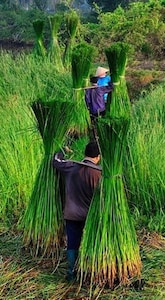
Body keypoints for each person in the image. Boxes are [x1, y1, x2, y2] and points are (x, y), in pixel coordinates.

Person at [52, 141, 102, 282]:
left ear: (85, 154)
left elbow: (56, 161)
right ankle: (90, 271)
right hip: (90, 217)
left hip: (72, 214)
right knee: (91, 242)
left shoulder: (72, 167)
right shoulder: (100, 174)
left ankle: (71, 274)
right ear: (98, 157)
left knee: (73, 243)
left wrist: (62, 149)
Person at [85, 75, 113, 140]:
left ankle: (95, 136)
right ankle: (103, 135)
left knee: (94, 124)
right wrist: (110, 82)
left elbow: (87, 101)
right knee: (102, 122)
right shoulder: (100, 89)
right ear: (97, 81)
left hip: (93, 110)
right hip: (101, 109)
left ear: (90, 82)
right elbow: (111, 88)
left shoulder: (88, 91)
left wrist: (88, 107)